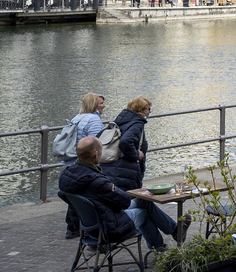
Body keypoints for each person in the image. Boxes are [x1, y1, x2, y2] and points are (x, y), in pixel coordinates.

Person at [60, 136, 190, 250]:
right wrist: (114, 188)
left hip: (88, 224)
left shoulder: (67, 175)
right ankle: (161, 247)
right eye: (101, 152)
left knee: (145, 200)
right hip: (108, 226)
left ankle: (173, 233)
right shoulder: (96, 181)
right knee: (144, 213)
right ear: (95, 155)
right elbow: (124, 201)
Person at [62, 92, 108, 237]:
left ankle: (72, 227)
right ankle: (85, 227)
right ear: (93, 105)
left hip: (72, 160)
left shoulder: (77, 118)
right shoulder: (93, 120)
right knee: (88, 194)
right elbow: (96, 143)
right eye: (101, 103)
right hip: (85, 163)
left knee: (75, 195)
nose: (104, 106)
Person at [102, 97, 153, 192]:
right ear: (141, 110)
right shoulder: (137, 123)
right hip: (125, 172)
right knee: (130, 201)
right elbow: (125, 142)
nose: (150, 111)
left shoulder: (121, 120)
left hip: (110, 168)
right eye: (148, 109)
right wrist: (136, 154)